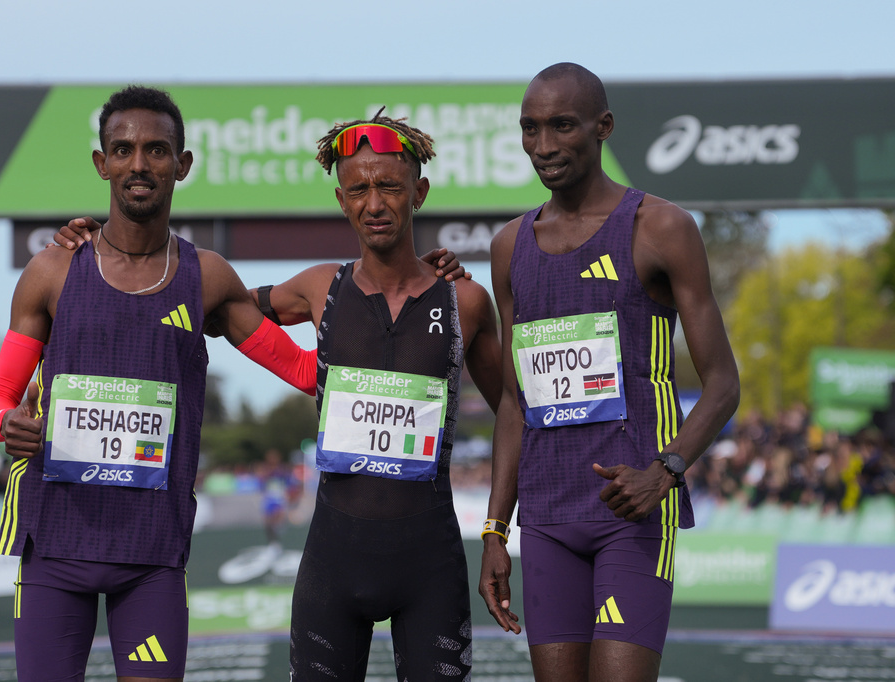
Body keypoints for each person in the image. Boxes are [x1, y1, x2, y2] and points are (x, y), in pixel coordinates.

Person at [0, 86, 321, 682]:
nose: (140, 164)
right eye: (124, 149)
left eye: (158, 150)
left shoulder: (207, 277)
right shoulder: (53, 269)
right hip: (56, 544)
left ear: (182, 165)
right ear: (102, 162)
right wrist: (5, 424)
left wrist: (373, 290)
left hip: (152, 555)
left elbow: (300, 369)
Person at [479, 63, 740, 682]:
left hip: (632, 509)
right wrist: (495, 527)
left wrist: (665, 471)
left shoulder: (661, 228)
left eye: (562, 126)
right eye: (530, 128)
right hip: (545, 517)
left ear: (604, 127)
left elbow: (724, 384)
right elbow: (517, 404)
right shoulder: (508, 246)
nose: (543, 146)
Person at [266, 112, 501, 681]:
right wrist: (299, 366)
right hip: (332, 566)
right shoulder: (322, 287)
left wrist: (496, 530)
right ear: (342, 200)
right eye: (359, 190)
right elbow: (218, 304)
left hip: (430, 568)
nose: (374, 203)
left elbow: (514, 411)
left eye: (390, 187)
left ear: (419, 192)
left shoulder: (464, 302)